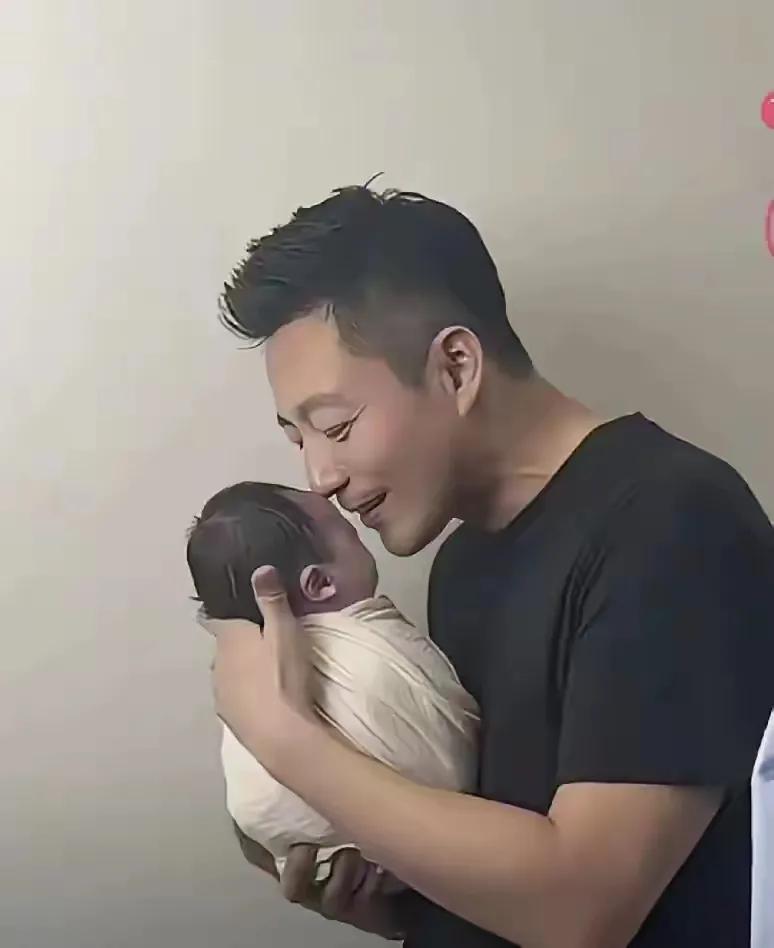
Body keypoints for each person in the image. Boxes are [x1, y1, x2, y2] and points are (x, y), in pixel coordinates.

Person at [205, 185, 774, 946]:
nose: (319, 476)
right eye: (297, 438)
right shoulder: (463, 562)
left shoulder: (674, 522)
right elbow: (501, 872)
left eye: (335, 427)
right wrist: (388, 902)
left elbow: (581, 910)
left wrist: (285, 739)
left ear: (456, 365)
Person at [186, 481, 478, 891]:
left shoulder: (244, 673)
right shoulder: (365, 647)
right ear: (321, 583)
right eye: (347, 532)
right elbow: (451, 763)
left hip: (318, 855)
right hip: (451, 834)